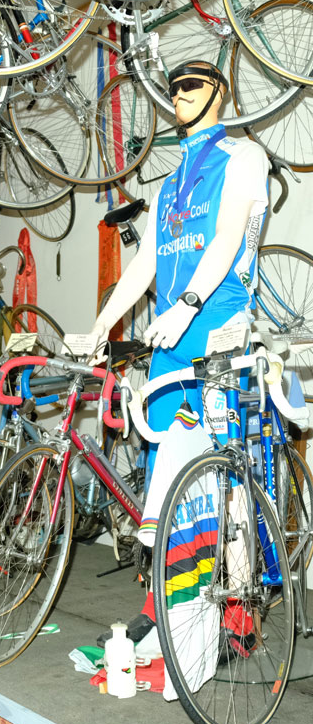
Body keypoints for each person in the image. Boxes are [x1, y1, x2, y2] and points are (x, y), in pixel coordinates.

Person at [92, 60, 270, 642]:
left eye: (191, 85)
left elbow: (226, 236)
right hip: (171, 340)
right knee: (168, 470)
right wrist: (100, 324)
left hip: (217, 328)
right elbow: (144, 264)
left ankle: (242, 606)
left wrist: (188, 303)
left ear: (221, 91)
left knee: (229, 476)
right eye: (173, 88)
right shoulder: (168, 183)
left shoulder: (245, 156)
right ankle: (167, 597)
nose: (179, 95)